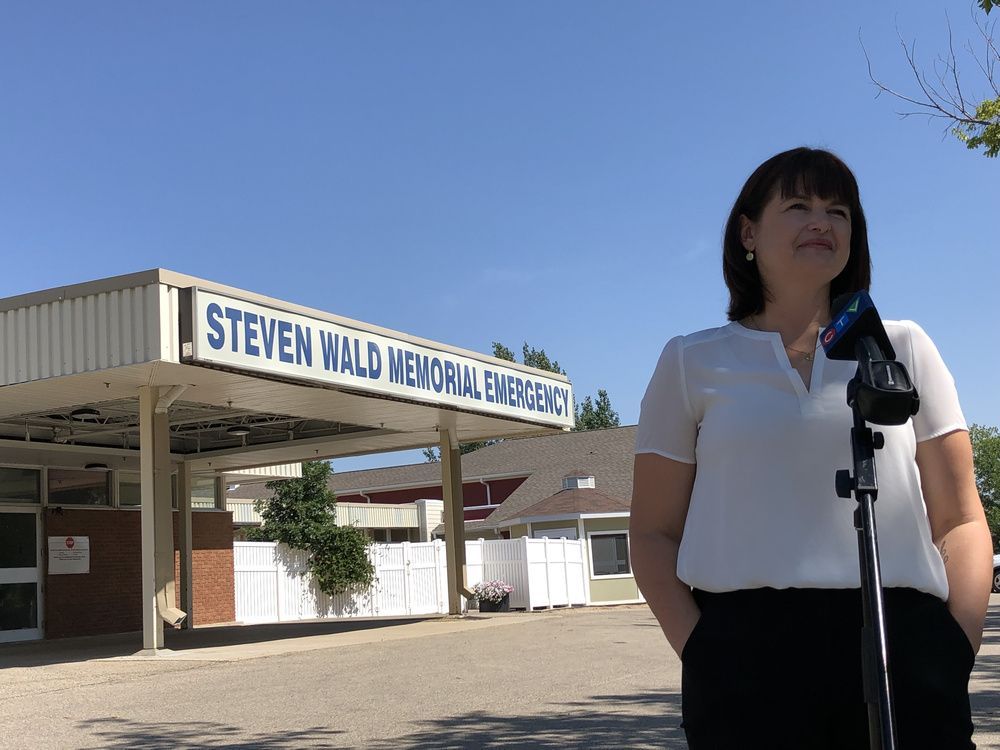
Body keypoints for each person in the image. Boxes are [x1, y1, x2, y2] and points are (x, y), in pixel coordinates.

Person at [630, 147, 992, 749]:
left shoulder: (904, 346)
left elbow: (960, 518)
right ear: (748, 232)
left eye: (839, 210)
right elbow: (652, 532)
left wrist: (956, 643)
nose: (822, 221)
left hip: (907, 646)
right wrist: (702, 651)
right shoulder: (691, 362)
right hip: (744, 661)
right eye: (798, 205)